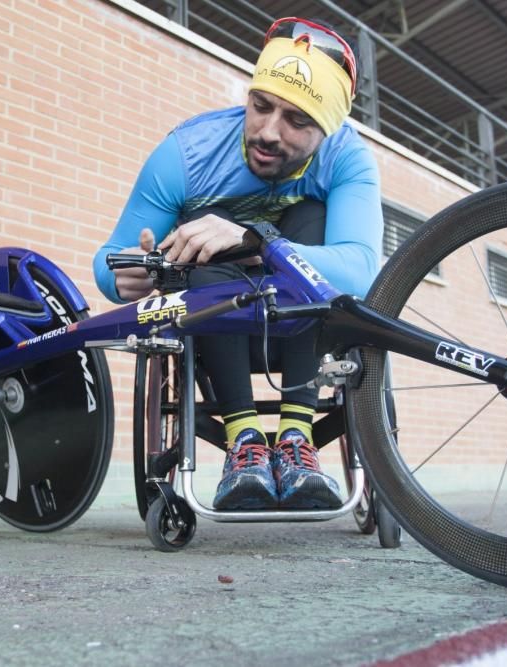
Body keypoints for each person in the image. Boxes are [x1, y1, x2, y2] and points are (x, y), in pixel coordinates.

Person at [93, 17, 383, 510]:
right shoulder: (186, 154)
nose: (269, 131)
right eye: (261, 105)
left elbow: (359, 270)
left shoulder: (347, 158)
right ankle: (244, 443)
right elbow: (107, 261)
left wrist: (257, 241)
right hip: (216, 311)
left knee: (312, 217)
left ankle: (296, 439)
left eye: (297, 120)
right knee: (203, 230)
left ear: (328, 129)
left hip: (299, 321)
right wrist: (131, 273)